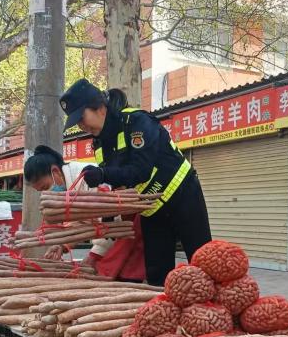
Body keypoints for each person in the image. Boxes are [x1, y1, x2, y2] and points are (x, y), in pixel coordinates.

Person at [59, 78, 212, 286]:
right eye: (77, 122)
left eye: (82, 118)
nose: (81, 126)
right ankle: (163, 306)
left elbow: (141, 171)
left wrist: (103, 174)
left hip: (183, 196)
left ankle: (214, 305)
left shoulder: (137, 122)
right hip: (151, 209)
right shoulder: (99, 143)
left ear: (100, 108)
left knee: (202, 260)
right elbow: (119, 183)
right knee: (157, 274)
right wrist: (109, 213)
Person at [23, 145, 145, 281]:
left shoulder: (88, 176)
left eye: (45, 187)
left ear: (55, 171)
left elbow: (109, 220)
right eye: (41, 191)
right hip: (116, 234)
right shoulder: (68, 189)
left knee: (118, 276)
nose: (45, 193)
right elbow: (82, 222)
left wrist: (94, 255)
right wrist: (62, 245)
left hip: (129, 227)